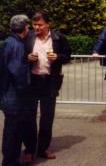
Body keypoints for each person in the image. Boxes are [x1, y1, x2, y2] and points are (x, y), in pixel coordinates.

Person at [24, 12, 71, 160]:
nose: (36, 27)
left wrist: (58, 57)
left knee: (47, 117)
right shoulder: (28, 37)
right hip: (32, 81)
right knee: (29, 117)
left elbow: (68, 56)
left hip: (49, 82)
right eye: (34, 24)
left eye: (40, 25)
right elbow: (20, 56)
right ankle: (29, 150)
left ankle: (43, 148)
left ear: (48, 24)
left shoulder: (59, 38)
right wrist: (27, 58)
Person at [1, 15, 35, 166]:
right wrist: (24, 90)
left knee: (11, 129)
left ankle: (10, 159)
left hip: (7, 93)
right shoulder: (18, 45)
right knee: (13, 131)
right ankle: (10, 162)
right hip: (14, 95)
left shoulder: (8, 42)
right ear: (26, 28)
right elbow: (17, 72)